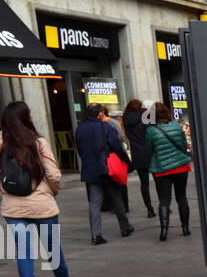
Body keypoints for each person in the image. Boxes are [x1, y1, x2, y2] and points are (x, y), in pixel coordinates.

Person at [0, 101, 78, 277]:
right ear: (25, 118)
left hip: (13, 208)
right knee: (52, 247)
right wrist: (51, 191)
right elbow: (53, 174)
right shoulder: (37, 141)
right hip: (42, 205)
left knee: (24, 251)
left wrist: (4, 189)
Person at [74, 103, 133, 245]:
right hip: (106, 168)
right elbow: (117, 147)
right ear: (100, 114)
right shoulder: (106, 127)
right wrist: (127, 162)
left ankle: (96, 234)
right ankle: (125, 227)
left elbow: (80, 149)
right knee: (116, 198)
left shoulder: (79, 129)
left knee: (94, 203)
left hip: (90, 169)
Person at [146, 102, 193, 242]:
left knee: (164, 200)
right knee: (182, 197)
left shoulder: (150, 131)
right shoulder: (177, 126)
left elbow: (149, 150)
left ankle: (164, 231)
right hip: (180, 167)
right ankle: (185, 228)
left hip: (161, 169)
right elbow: (184, 146)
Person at [121, 99, 155, 219]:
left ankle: (149, 209)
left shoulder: (125, 119)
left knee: (144, 183)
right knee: (159, 180)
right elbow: (151, 131)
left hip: (137, 154)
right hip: (150, 151)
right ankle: (164, 205)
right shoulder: (144, 116)